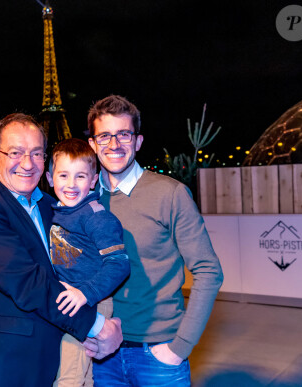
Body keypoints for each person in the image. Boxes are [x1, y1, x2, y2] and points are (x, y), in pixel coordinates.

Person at [0, 113, 123, 387]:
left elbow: (80, 268)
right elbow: (26, 281)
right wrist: (98, 327)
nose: (27, 164)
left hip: (56, 356)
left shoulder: (50, 206)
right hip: (6, 365)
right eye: (15, 152)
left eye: (37, 153)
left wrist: (92, 334)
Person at [83, 95, 224, 386]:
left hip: (158, 357)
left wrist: (179, 348)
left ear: (138, 141)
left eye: (123, 134)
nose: (114, 144)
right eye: (105, 136)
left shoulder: (170, 194)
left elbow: (209, 271)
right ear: (92, 145)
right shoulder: (84, 199)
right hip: (100, 356)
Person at [45, 138, 131, 386]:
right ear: (50, 179)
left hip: (93, 301)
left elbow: (118, 263)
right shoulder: (58, 212)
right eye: (63, 176)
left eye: (80, 177)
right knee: (83, 374)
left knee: (69, 376)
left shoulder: (97, 217)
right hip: (70, 299)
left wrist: (85, 294)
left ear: (93, 181)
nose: (71, 185)